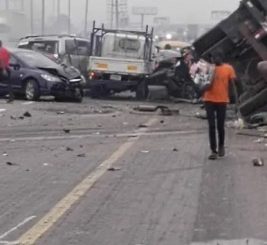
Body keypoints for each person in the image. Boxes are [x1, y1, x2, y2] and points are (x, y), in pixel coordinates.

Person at [203, 51, 236, 160]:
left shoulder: (228, 68)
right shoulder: (208, 68)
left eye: (217, 57)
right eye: (213, 57)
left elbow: (232, 84)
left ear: (222, 58)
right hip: (209, 100)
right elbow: (202, 80)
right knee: (211, 125)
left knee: (220, 126)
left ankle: (221, 145)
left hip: (222, 100)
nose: (215, 59)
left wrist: (233, 98)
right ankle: (213, 150)